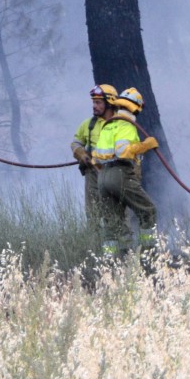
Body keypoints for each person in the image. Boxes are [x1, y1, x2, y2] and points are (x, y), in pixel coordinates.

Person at [91, 86, 158, 254]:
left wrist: (106, 174)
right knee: (148, 211)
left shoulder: (107, 125)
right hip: (119, 174)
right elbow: (122, 151)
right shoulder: (126, 124)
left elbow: (95, 158)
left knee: (113, 222)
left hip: (102, 177)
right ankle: (148, 254)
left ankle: (114, 261)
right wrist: (146, 145)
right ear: (136, 108)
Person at [71, 84, 118, 236]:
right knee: (93, 214)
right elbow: (76, 142)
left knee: (116, 215)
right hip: (92, 174)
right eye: (93, 102)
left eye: (98, 102)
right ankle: (96, 250)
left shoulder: (121, 125)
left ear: (109, 103)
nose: (94, 106)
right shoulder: (88, 125)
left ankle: (122, 254)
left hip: (115, 175)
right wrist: (81, 153)